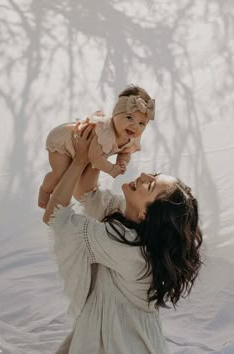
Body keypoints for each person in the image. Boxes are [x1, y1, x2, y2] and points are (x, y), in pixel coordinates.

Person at [43, 125, 203, 354]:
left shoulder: (126, 247)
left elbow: (55, 216)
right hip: (131, 332)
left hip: (120, 342)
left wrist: (79, 161)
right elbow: (86, 193)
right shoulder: (136, 222)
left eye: (150, 184)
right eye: (154, 175)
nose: (145, 175)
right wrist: (100, 151)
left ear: (146, 214)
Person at [38, 85, 155, 209]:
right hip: (65, 141)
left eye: (141, 123)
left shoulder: (132, 137)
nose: (134, 126)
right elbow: (95, 157)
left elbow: (125, 152)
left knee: (77, 177)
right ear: (116, 114)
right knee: (61, 173)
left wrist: (122, 162)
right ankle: (45, 190)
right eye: (129, 118)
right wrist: (111, 169)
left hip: (87, 151)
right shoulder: (105, 132)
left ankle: (71, 194)